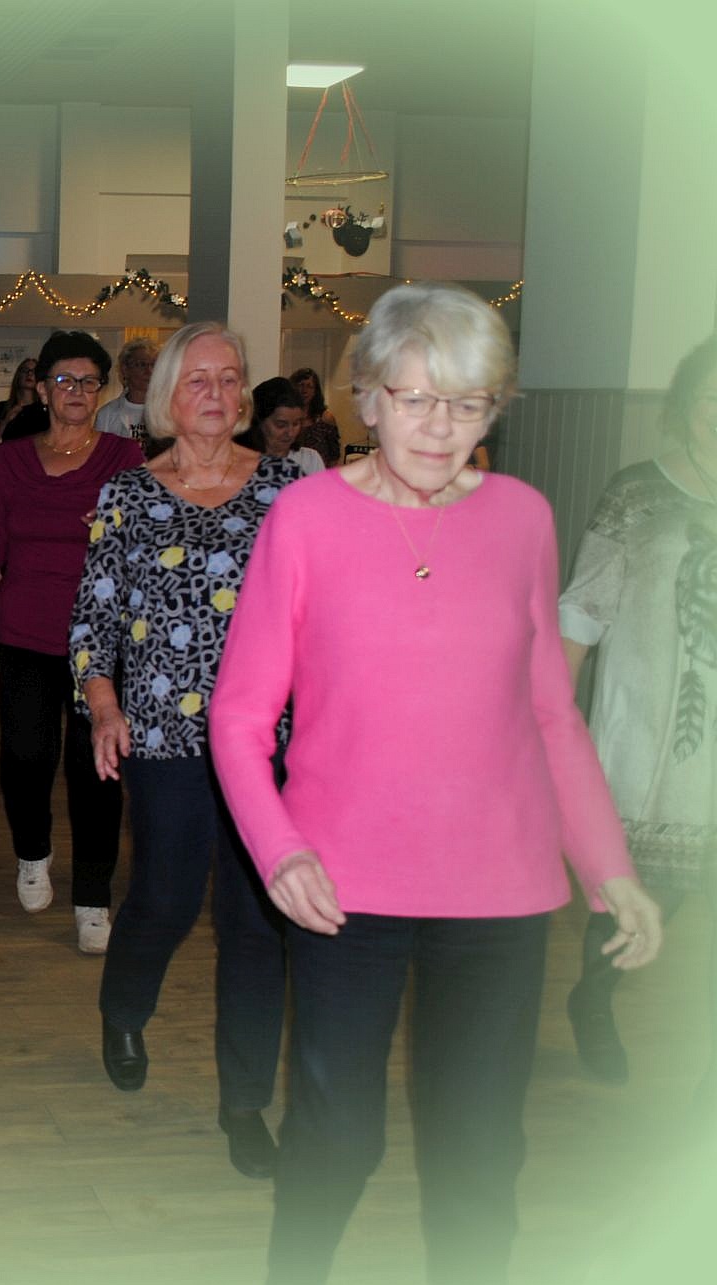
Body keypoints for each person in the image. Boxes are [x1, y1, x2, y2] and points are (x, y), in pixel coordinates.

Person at [209, 282, 664, 1283]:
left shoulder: (523, 518)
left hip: (501, 892)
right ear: (369, 398)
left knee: (480, 1153)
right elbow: (237, 716)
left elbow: (551, 714)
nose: (439, 426)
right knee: (336, 1138)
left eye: (467, 404)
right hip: (343, 890)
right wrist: (279, 850)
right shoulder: (307, 517)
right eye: (415, 398)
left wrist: (610, 869)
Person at [72, 321, 296, 1179]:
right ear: (167, 396)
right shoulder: (129, 495)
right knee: (164, 898)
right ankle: (124, 1008)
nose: (215, 392)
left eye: (229, 378)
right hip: (164, 731)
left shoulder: (288, 490)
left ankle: (245, 1102)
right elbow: (93, 618)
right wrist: (102, 706)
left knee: (255, 919)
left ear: (245, 396)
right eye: (197, 378)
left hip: (270, 737)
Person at [558, 332, 717, 1106]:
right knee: (634, 888)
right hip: (644, 732)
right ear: (686, 403)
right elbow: (582, 611)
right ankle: (593, 995)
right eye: (712, 395)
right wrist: (552, 721)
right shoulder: (637, 492)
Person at [0, 331, 142, 951]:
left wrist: (117, 529)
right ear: (41, 389)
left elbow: (147, 543)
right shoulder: (14, 459)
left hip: (103, 644)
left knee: (96, 772)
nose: (77, 392)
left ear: (101, 390)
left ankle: (93, 898)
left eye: (89, 381)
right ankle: (32, 850)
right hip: (25, 634)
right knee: (25, 758)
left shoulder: (124, 457)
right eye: (65, 380)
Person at [238, 377, 325, 476]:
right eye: (281, 425)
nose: (290, 433)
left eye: (296, 424)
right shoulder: (239, 460)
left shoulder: (310, 460)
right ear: (258, 421)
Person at [95, 336, 158, 449]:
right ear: (125, 369)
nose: (149, 371)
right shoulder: (107, 414)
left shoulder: (171, 411)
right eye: (142, 364)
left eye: (153, 365)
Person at [0, 356, 41, 452]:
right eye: (25, 370)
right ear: (18, 376)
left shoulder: (45, 409)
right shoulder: (3, 407)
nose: (29, 374)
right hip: (10, 458)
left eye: (34, 371)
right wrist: (5, 422)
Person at [288, 366, 341, 466]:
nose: (304, 390)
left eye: (309, 386)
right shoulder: (287, 418)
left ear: (315, 391)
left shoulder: (326, 418)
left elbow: (334, 456)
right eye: (301, 385)